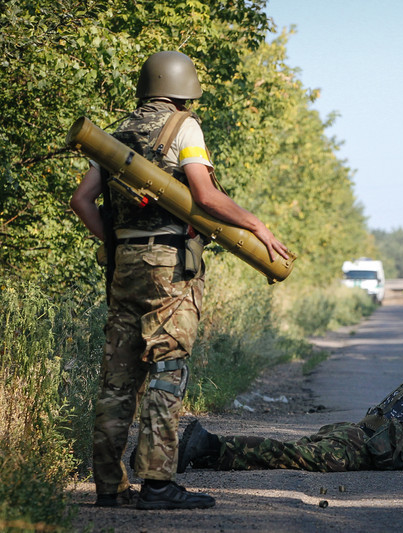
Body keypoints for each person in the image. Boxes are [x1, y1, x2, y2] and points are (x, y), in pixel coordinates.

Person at [70, 50, 290, 510]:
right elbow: (205, 195)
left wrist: (115, 244)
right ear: (184, 87)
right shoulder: (183, 127)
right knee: (167, 369)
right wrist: (256, 225)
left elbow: (83, 201)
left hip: (123, 264)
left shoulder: (116, 135)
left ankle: (109, 486)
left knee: (117, 379)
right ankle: (157, 484)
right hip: (168, 266)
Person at [176, 341, 403, 472]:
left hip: (355, 432)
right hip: (361, 446)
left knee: (287, 452)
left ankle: (202, 455)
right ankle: (206, 443)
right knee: (285, 455)